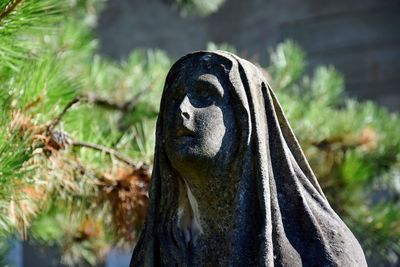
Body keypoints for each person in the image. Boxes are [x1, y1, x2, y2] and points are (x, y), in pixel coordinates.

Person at [130, 51, 367, 266]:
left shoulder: (321, 250)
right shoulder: (158, 252)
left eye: (204, 94)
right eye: (173, 98)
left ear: (243, 119)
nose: (182, 108)